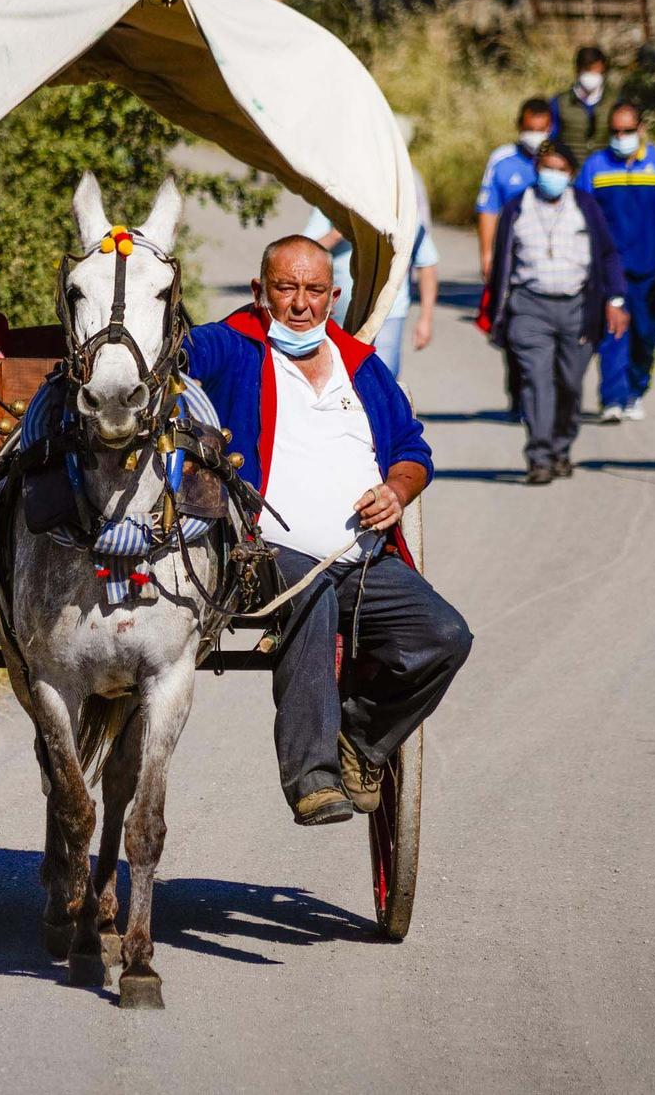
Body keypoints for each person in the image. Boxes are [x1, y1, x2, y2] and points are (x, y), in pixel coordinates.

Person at [182, 237, 472, 826]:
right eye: (285, 289)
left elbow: (413, 450)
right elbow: (171, 355)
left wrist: (397, 490)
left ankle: (360, 743)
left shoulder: (360, 365)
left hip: (363, 560)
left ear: (332, 296)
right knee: (310, 597)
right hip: (262, 553)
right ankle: (311, 779)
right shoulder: (233, 346)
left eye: (314, 291)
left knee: (445, 634)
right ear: (261, 291)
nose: (299, 304)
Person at [481, 142, 629, 485]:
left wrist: (616, 299)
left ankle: (561, 446)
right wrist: (496, 311)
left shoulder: (586, 208)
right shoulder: (517, 208)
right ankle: (540, 456)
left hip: (578, 307)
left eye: (560, 170)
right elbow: (502, 263)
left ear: (572, 174)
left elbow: (607, 255)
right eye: (547, 167)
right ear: (536, 169)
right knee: (536, 381)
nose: (553, 175)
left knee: (570, 383)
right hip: (530, 306)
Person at [575, 101, 655, 422]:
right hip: (610, 270)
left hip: (649, 267)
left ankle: (636, 390)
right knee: (613, 330)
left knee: (644, 335)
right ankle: (612, 397)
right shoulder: (596, 167)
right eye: (615, 131)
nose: (620, 136)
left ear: (641, 130)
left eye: (627, 131)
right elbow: (582, 214)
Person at [299, 168, 440, 377]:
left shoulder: (403, 213)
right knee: (336, 381)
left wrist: (426, 319)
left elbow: (427, 262)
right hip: (337, 315)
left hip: (387, 315)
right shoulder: (335, 204)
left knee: (381, 382)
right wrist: (339, 231)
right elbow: (304, 253)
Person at [475, 97, 553, 411]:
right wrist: (487, 254)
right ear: (519, 127)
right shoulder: (502, 160)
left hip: (550, 262)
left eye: (541, 129)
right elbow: (487, 209)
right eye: (529, 129)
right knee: (516, 330)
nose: (535, 135)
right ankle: (519, 392)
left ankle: (544, 393)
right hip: (513, 263)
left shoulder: (557, 162)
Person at [549, 45, 618, 165]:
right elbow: (550, 139)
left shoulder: (613, 102)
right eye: (587, 69)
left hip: (603, 173)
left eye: (595, 69)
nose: (591, 75)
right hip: (570, 174)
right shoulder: (559, 103)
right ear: (577, 70)